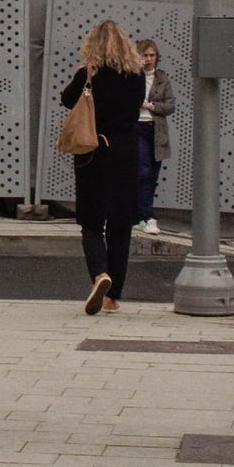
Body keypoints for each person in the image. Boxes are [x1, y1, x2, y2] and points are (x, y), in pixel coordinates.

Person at [60, 18, 146, 315]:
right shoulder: (136, 77)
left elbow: (66, 99)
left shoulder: (89, 73)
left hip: (94, 151)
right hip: (127, 152)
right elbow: (136, 108)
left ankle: (100, 274)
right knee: (121, 224)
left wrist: (86, 78)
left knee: (91, 221)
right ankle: (112, 297)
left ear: (92, 45)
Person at [136, 40, 174, 233]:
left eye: (152, 55)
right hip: (137, 128)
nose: (149, 59)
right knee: (142, 171)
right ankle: (149, 216)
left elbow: (170, 106)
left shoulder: (162, 78)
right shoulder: (132, 76)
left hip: (156, 130)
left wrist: (150, 106)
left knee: (152, 174)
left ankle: (141, 214)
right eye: (145, 55)